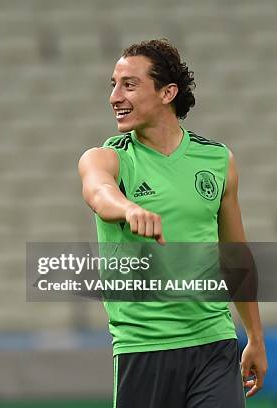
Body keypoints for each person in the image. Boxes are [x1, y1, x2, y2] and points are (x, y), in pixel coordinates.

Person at [78, 39, 267, 408]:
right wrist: (128, 208)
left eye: (129, 85)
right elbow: (98, 192)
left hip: (214, 343)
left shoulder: (216, 159)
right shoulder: (106, 157)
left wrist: (255, 338)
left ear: (168, 93)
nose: (115, 96)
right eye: (113, 85)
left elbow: (235, 256)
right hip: (144, 347)